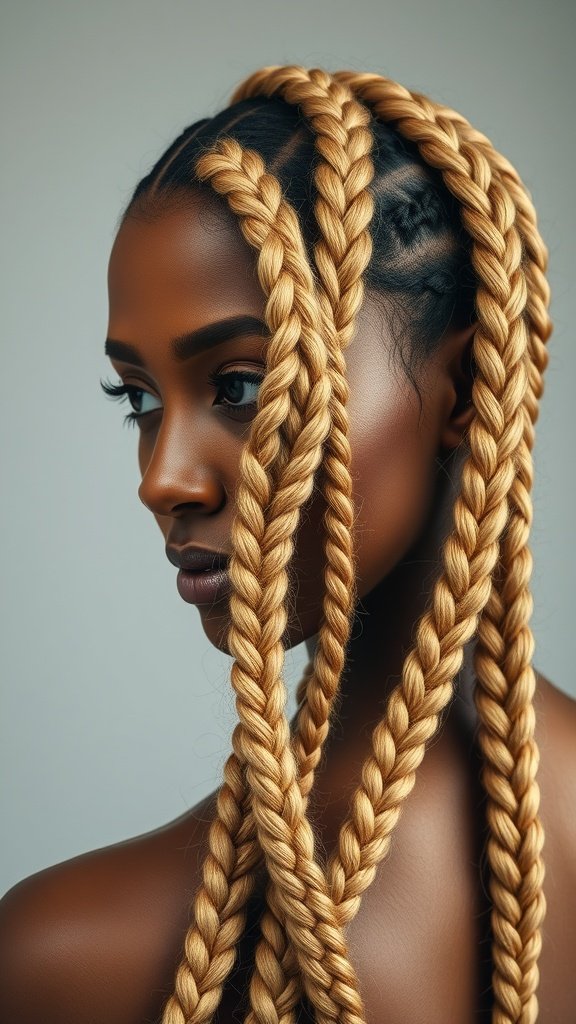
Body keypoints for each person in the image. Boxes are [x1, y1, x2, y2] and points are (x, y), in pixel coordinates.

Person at [1, 64, 575, 1024]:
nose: (162, 480)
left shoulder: (69, 961)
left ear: (468, 389)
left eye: (238, 386)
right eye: (137, 399)